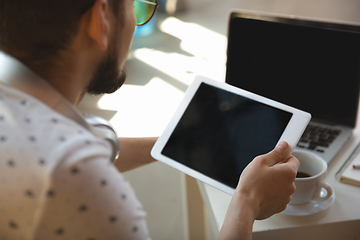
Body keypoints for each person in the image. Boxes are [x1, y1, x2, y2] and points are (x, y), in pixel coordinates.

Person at [0, 0, 299, 239]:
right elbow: (70, 161)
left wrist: (171, 143)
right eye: (136, 7)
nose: (134, 21)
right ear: (100, 19)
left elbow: (82, 138)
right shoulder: (75, 176)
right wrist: (247, 202)